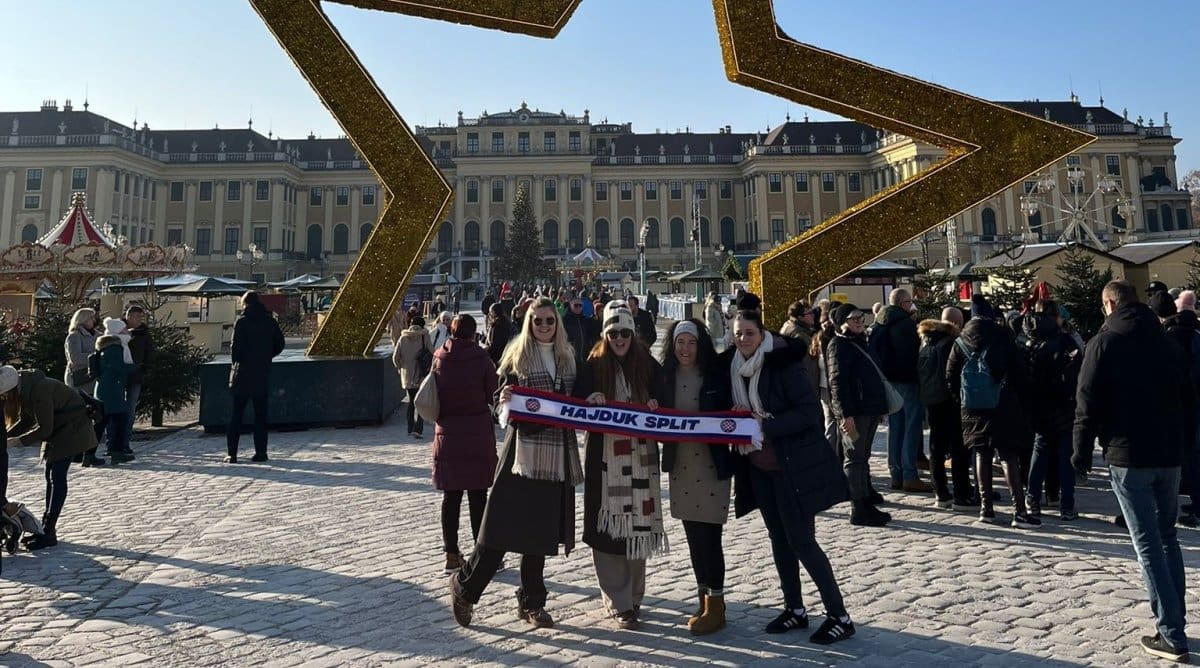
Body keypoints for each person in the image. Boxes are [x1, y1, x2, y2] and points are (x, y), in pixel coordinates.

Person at [714, 308, 855, 644]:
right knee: (779, 540)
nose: (743, 339)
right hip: (760, 468)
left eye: (749, 333)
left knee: (803, 542)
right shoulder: (734, 369)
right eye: (738, 334)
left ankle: (839, 614)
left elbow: (808, 414)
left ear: (762, 334)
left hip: (793, 466)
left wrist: (765, 424)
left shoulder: (782, 364)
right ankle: (795, 608)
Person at [1074, 280, 1192, 663]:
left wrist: (1079, 453)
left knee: (1148, 545)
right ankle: (1175, 623)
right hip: (1169, 452)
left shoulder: (1104, 342)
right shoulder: (1167, 340)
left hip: (1128, 454)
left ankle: (1171, 633)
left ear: (1109, 304)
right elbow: (1189, 397)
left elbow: (1087, 400)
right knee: (1167, 537)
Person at [449, 298, 581, 630]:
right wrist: (505, 402)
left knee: (539, 533)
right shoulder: (517, 355)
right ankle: (464, 589)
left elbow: (579, 396)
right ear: (528, 323)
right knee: (498, 532)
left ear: (557, 323)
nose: (544, 326)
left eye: (549, 321)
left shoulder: (568, 358)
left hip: (555, 455)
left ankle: (532, 602)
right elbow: (498, 397)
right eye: (538, 321)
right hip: (521, 454)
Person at [576, 300, 664, 630]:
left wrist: (656, 403)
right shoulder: (593, 364)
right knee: (608, 531)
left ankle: (635, 596)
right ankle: (618, 600)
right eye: (613, 332)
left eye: (625, 332)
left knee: (638, 527)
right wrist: (589, 400)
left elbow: (664, 398)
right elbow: (576, 399)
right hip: (605, 460)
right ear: (605, 334)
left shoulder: (648, 365)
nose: (619, 338)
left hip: (641, 462)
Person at [658, 319, 731, 635]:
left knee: (710, 537)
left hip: (711, 466)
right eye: (679, 343)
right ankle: (703, 597)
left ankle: (717, 604)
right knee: (692, 536)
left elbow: (732, 410)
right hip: (682, 465)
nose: (685, 349)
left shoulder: (716, 375)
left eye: (690, 343)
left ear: (699, 344)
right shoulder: (665, 378)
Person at [947, 295, 1039, 528]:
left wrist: (965, 399)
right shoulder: (1002, 336)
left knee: (981, 454)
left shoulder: (960, 341)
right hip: (1003, 404)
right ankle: (1019, 511)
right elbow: (1019, 372)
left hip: (972, 408)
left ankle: (985, 509)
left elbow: (950, 377)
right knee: (1008, 456)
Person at [2, 364, 98, 550]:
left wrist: (15, 442)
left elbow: (45, 428)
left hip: (71, 430)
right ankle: (45, 530)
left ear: (11, 390)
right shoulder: (26, 386)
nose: (4, 399)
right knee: (50, 477)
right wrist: (4, 436)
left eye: (5, 395)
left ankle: (49, 531)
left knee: (57, 478)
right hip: (60, 429)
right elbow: (28, 420)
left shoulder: (40, 390)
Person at [432, 314, 498, 573]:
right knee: (478, 496)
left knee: (451, 497)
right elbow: (492, 393)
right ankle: (480, 553)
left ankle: (450, 553)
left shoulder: (440, 357)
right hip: (476, 432)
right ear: (474, 334)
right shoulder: (481, 359)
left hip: (447, 432)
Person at [826, 304, 891, 526]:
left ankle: (866, 501)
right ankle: (858, 506)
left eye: (860, 318)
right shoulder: (838, 344)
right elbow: (837, 383)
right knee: (854, 458)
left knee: (862, 458)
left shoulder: (861, 341)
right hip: (855, 411)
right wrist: (845, 414)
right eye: (853, 319)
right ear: (842, 322)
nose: (859, 322)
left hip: (870, 408)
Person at [1023, 299, 1082, 521]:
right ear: (1055, 317)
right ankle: (1066, 505)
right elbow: (1076, 373)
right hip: (1064, 405)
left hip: (1039, 405)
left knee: (1039, 453)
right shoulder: (1065, 341)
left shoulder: (1031, 340)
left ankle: (1033, 499)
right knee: (1065, 456)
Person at [868, 289, 930, 492]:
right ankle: (909, 474)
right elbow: (911, 355)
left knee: (895, 427)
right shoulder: (904, 324)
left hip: (887, 381)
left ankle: (895, 473)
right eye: (910, 301)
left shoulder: (878, 323)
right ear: (904, 303)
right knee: (911, 427)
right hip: (906, 380)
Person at [918, 307, 974, 509]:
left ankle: (940, 493)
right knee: (959, 448)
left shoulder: (926, 340)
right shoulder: (951, 342)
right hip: (950, 402)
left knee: (936, 448)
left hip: (932, 400)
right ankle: (962, 493)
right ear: (957, 323)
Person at [226, 291, 286, 463]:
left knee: (236, 415)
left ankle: (232, 454)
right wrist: (267, 356)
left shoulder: (242, 322)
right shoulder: (270, 321)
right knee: (260, 416)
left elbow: (235, 349)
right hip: (262, 372)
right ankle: (261, 452)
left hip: (243, 373)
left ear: (245, 303)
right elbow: (280, 344)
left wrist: (238, 362)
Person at [63, 307, 104, 467]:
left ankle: (85, 452)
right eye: (90, 318)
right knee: (82, 416)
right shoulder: (74, 337)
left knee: (93, 415)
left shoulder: (99, 336)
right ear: (82, 319)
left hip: (94, 379)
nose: (93, 321)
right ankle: (80, 452)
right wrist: (95, 358)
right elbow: (75, 358)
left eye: (93, 318)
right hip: (79, 380)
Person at [95, 320, 136, 464]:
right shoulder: (114, 347)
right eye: (124, 330)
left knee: (104, 421)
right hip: (112, 389)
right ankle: (116, 451)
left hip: (108, 388)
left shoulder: (108, 346)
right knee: (119, 419)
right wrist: (134, 368)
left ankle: (91, 453)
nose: (128, 332)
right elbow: (120, 368)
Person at [394, 315, 434, 438]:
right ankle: (419, 427)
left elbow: (395, 357)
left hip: (407, 375)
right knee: (421, 401)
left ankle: (410, 427)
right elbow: (432, 352)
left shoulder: (402, 337)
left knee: (411, 401)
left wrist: (401, 367)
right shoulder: (424, 336)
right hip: (421, 374)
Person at [123, 305, 154, 458]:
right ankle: (114, 443)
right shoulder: (118, 330)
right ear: (128, 316)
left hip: (136, 376)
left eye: (141, 317)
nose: (139, 320)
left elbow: (150, 353)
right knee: (115, 410)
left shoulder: (144, 334)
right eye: (136, 317)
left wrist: (144, 369)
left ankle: (125, 442)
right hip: (119, 376)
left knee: (130, 409)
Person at [810, 306, 841, 452]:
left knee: (830, 422)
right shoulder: (832, 341)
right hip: (830, 387)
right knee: (835, 423)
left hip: (823, 387)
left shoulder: (817, 338)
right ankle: (832, 455)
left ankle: (830, 455)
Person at [563, 296, 600, 367]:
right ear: (570, 304)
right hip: (571, 358)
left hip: (584, 358)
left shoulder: (585, 320)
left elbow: (593, 332)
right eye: (576, 305)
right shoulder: (565, 320)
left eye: (580, 305)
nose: (578, 307)